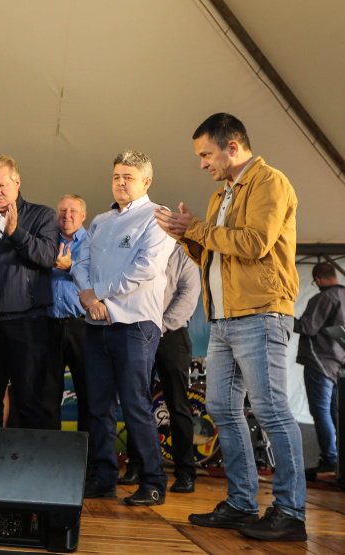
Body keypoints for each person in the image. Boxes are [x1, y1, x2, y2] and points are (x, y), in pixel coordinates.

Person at [156, 113, 305, 541]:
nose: (202, 163)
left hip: (260, 312)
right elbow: (215, 259)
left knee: (272, 410)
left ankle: (291, 512)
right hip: (223, 319)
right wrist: (185, 236)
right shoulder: (220, 195)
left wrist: (198, 228)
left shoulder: (270, 182)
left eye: (206, 154)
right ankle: (242, 504)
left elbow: (255, 242)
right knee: (220, 408)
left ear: (232, 147)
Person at [72, 150, 172, 506]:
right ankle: (102, 477)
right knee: (98, 405)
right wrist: (89, 300)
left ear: (146, 181)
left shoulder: (159, 217)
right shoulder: (99, 221)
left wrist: (98, 294)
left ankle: (153, 481)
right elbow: (80, 263)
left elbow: (144, 268)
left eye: (128, 177)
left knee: (136, 404)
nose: (120, 183)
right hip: (96, 322)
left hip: (135, 325)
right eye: (116, 176)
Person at [0, 156, 59, 429]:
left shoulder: (42, 215)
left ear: (17, 183)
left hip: (28, 323)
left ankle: (33, 468)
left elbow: (47, 256)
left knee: (31, 400)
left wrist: (16, 233)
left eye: (2, 185)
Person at [120, 242, 201, 494]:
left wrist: (159, 326)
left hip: (171, 335)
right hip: (138, 333)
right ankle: (136, 467)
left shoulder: (184, 257)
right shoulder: (139, 253)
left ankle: (185, 472)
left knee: (177, 405)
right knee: (137, 403)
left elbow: (188, 296)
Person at [294, 262, 343, 475]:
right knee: (335, 414)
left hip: (320, 361)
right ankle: (338, 463)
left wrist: (283, 317)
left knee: (321, 412)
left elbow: (307, 327)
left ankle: (329, 460)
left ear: (319, 280)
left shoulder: (323, 297)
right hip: (338, 364)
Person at [48, 194, 89, 433]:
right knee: (48, 395)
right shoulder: (46, 242)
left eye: (73, 211)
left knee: (87, 393)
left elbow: (95, 277)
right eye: (62, 210)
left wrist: (70, 266)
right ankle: (54, 461)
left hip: (81, 327)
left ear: (83, 216)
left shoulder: (94, 243)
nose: (67, 215)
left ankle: (88, 462)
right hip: (50, 326)